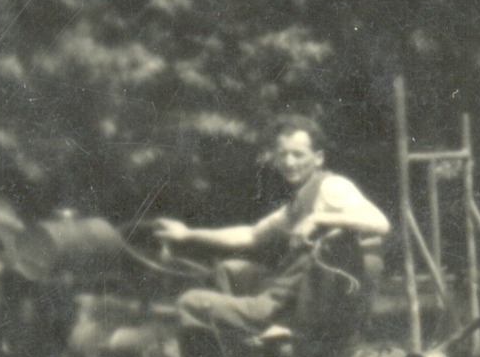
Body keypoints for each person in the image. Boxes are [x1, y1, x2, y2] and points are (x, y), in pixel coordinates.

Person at [155, 115, 391, 344]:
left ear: (318, 158)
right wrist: (187, 234)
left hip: (301, 309)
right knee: (230, 269)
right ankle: (244, 347)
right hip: (293, 294)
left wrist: (319, 218)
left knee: (189, 301)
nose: (289, 163)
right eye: (283, 155)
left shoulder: (332, 187)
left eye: (298, 154)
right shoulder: (299, 202)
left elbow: (380, 222)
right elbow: (250, 235)